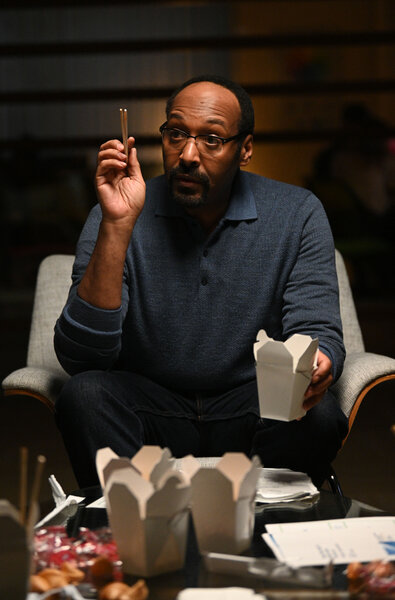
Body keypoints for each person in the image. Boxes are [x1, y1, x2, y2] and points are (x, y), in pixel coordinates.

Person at [54, 75, 348, 489]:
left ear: (245, 149)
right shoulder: (118, 208)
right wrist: (118, 226)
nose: (188, 155)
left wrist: (317, 363)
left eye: (211, 139)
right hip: (151, 404)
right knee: (84, 396)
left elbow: (317, 327)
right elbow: (81, 358)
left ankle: (265, 532)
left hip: (253, 402)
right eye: (176, 134)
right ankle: (134, 532)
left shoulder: (297, 212)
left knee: (318, 415)